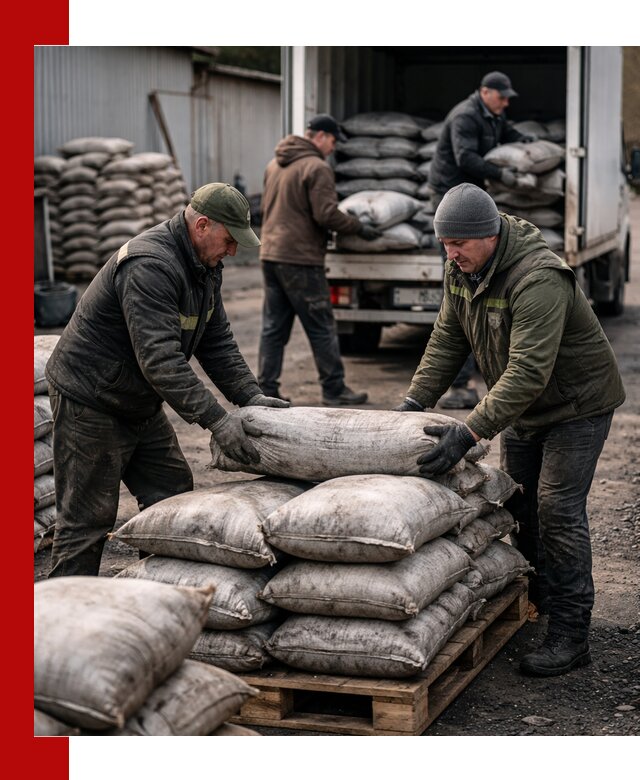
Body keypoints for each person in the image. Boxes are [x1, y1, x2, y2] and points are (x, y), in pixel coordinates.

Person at [393, 183, 625, 677]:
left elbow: (528, 370)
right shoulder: (462, 268)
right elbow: (447, 339)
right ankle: (536, 600)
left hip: (574, 405)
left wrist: (470, 431)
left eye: (459, 244)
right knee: (519, 504)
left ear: (490, 235)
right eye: (445, 244)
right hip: (524, 407)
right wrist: (413, 404)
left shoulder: (538, 277)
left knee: (558, 510)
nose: (450, 254)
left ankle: (570, 632)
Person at [45, 182, 288, 577]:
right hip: (91, 398)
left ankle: (155, 599)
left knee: (171, 493)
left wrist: (250, 396)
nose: (233, 251)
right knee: (88, 519)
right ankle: (64, 625)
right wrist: (217, 419)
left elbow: (216, 340)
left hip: (136, 398)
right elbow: (160, 360)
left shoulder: (204, 266)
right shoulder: (150, 265)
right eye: (229, 240)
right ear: (203, 225)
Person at [428, 71, 536, 409]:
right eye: (502, 96)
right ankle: (459, 385)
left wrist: (527, 144)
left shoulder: (493, 116)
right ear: (484, 92)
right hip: (452, 204)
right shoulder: (465, 116)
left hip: (471, 205)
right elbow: (466, 158)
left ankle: (483, 373)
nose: (506, 103)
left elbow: (507, 132)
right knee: (461, 293)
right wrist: (504, 174)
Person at [258, 113, 381, 406]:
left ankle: (265, 390)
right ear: (322, 136)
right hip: (300, 259)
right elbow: (325, 214)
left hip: (271, 254)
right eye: (334, 141)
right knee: (321, 325)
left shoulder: (274, 164)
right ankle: (334, 389)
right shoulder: (317, 167)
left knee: (273, 328)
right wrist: (359, 227)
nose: (333, 148)